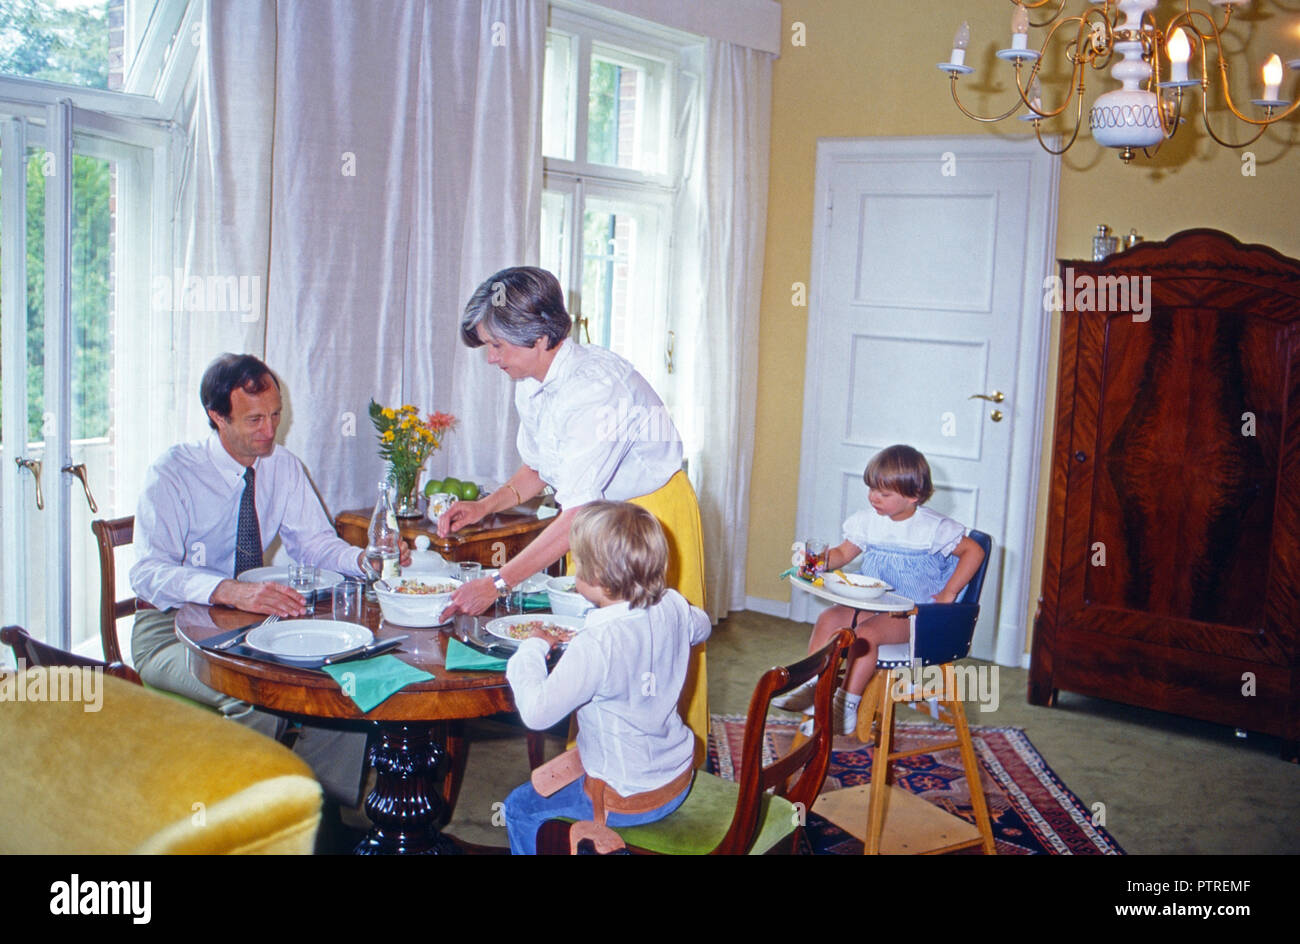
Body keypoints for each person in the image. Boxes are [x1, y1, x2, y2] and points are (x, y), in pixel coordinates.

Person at [437, 266, 709, 751]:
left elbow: (577, 514)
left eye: (499, 346)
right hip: (598, 520)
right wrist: (484, 506)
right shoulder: (532, 379)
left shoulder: (594, 390)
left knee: (653, 652)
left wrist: (498, 583)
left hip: (649, 520)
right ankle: (599, 765)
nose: (492, 359)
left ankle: (661, 771)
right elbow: (540, 469)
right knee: (597, 650)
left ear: (541, 337)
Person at [130, 353, 404, 803]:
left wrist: (364, 561)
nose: (269, 430)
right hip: (171, 630)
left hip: (253, 622)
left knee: (342, 685)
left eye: (275, 415)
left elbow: (314, 543)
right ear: (217, 416)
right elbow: (147, 571)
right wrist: (229, 589)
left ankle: (322, 823)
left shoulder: (282, 466)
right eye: (254, 418)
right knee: (255, 696)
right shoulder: (174, 472)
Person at [503, 502, 710, 854]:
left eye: (577, 560)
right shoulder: (673, 604)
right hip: (676, 777)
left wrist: (532, 650)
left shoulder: (596, 645)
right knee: (562, 772)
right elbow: (701, 626)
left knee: (518, 808)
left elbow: (536, 713)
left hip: (626, 798)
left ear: (595, 578)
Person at [775, 444, 985, 735]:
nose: (874, 497)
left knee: (865, 636)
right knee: (829, 619)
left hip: (912, 613)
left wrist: (949, 592)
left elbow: (974, 551)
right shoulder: (868, 522)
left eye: (884, 493)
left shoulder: (932, 528)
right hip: (874, 602)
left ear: (913, 496)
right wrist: (817, 561)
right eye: (872, 489)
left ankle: (846, 707)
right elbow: (843, 554)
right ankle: (814, 688)